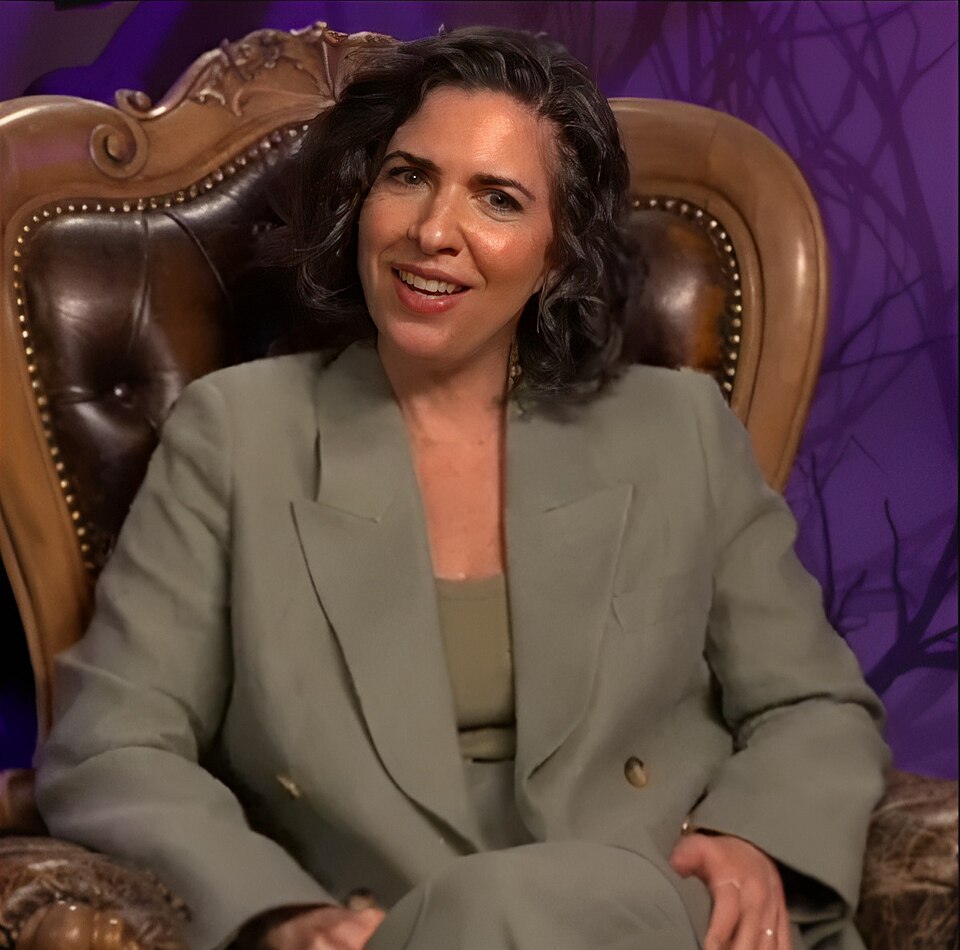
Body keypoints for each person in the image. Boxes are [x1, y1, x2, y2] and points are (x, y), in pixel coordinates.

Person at [35, 25, 889, 950]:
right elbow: (112, 743)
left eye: (498, 199)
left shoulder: (678, 431)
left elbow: (813, 703)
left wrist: (752, 835)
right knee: (478, 913)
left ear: (558, 253)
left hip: (662, 914)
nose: (433, 232)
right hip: (389, 927)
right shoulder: (236, 436)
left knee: (504, 905)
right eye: (408, 177)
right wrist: (281, 912)